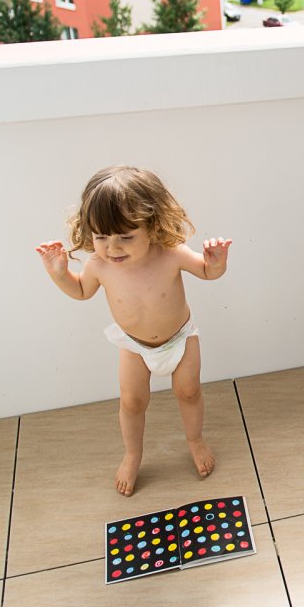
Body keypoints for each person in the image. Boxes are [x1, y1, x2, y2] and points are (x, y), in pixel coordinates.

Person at [36, 166, 231, 496]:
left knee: (189, 392)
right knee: (131, 402)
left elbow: (207, 272)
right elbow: (81, 291)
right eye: (101, 237)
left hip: (180, 338)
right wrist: (59, 274)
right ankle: (132, 454)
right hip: (134, 345)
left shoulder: (171, 253)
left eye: (125, 237)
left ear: (151, 225)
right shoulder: (99, 266)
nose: (112, 248)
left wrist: (215, 262)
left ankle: (195, 440)